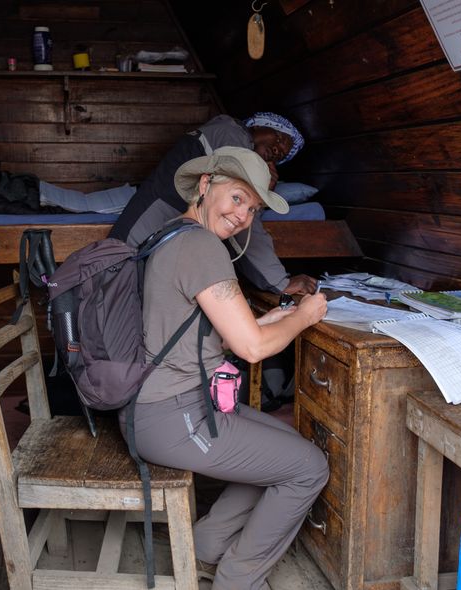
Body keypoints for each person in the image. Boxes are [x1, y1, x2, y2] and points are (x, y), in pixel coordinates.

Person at [124, 146, 329, 589]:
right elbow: (252, 350)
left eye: (252, 208)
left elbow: (189, 325)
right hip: (172, 415)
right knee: (308, 467)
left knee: (285, 445)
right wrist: (304, 315)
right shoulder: (201, 246)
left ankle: (207, 544)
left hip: (167, 404)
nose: (242, 215)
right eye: (237, 198)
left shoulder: (173, 233)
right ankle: (238, 580)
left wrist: (264, 320)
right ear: (205, 185)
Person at [109, 112, 319, 295]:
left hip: (153, 238)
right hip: (139, 239)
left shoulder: (228, 137)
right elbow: (246, 224)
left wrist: (262, 189)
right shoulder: (231, 133)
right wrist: (279, 282)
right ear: (257, 125)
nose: (278, 149)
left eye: (282, 154)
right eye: (280, 137)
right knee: (115, 299)